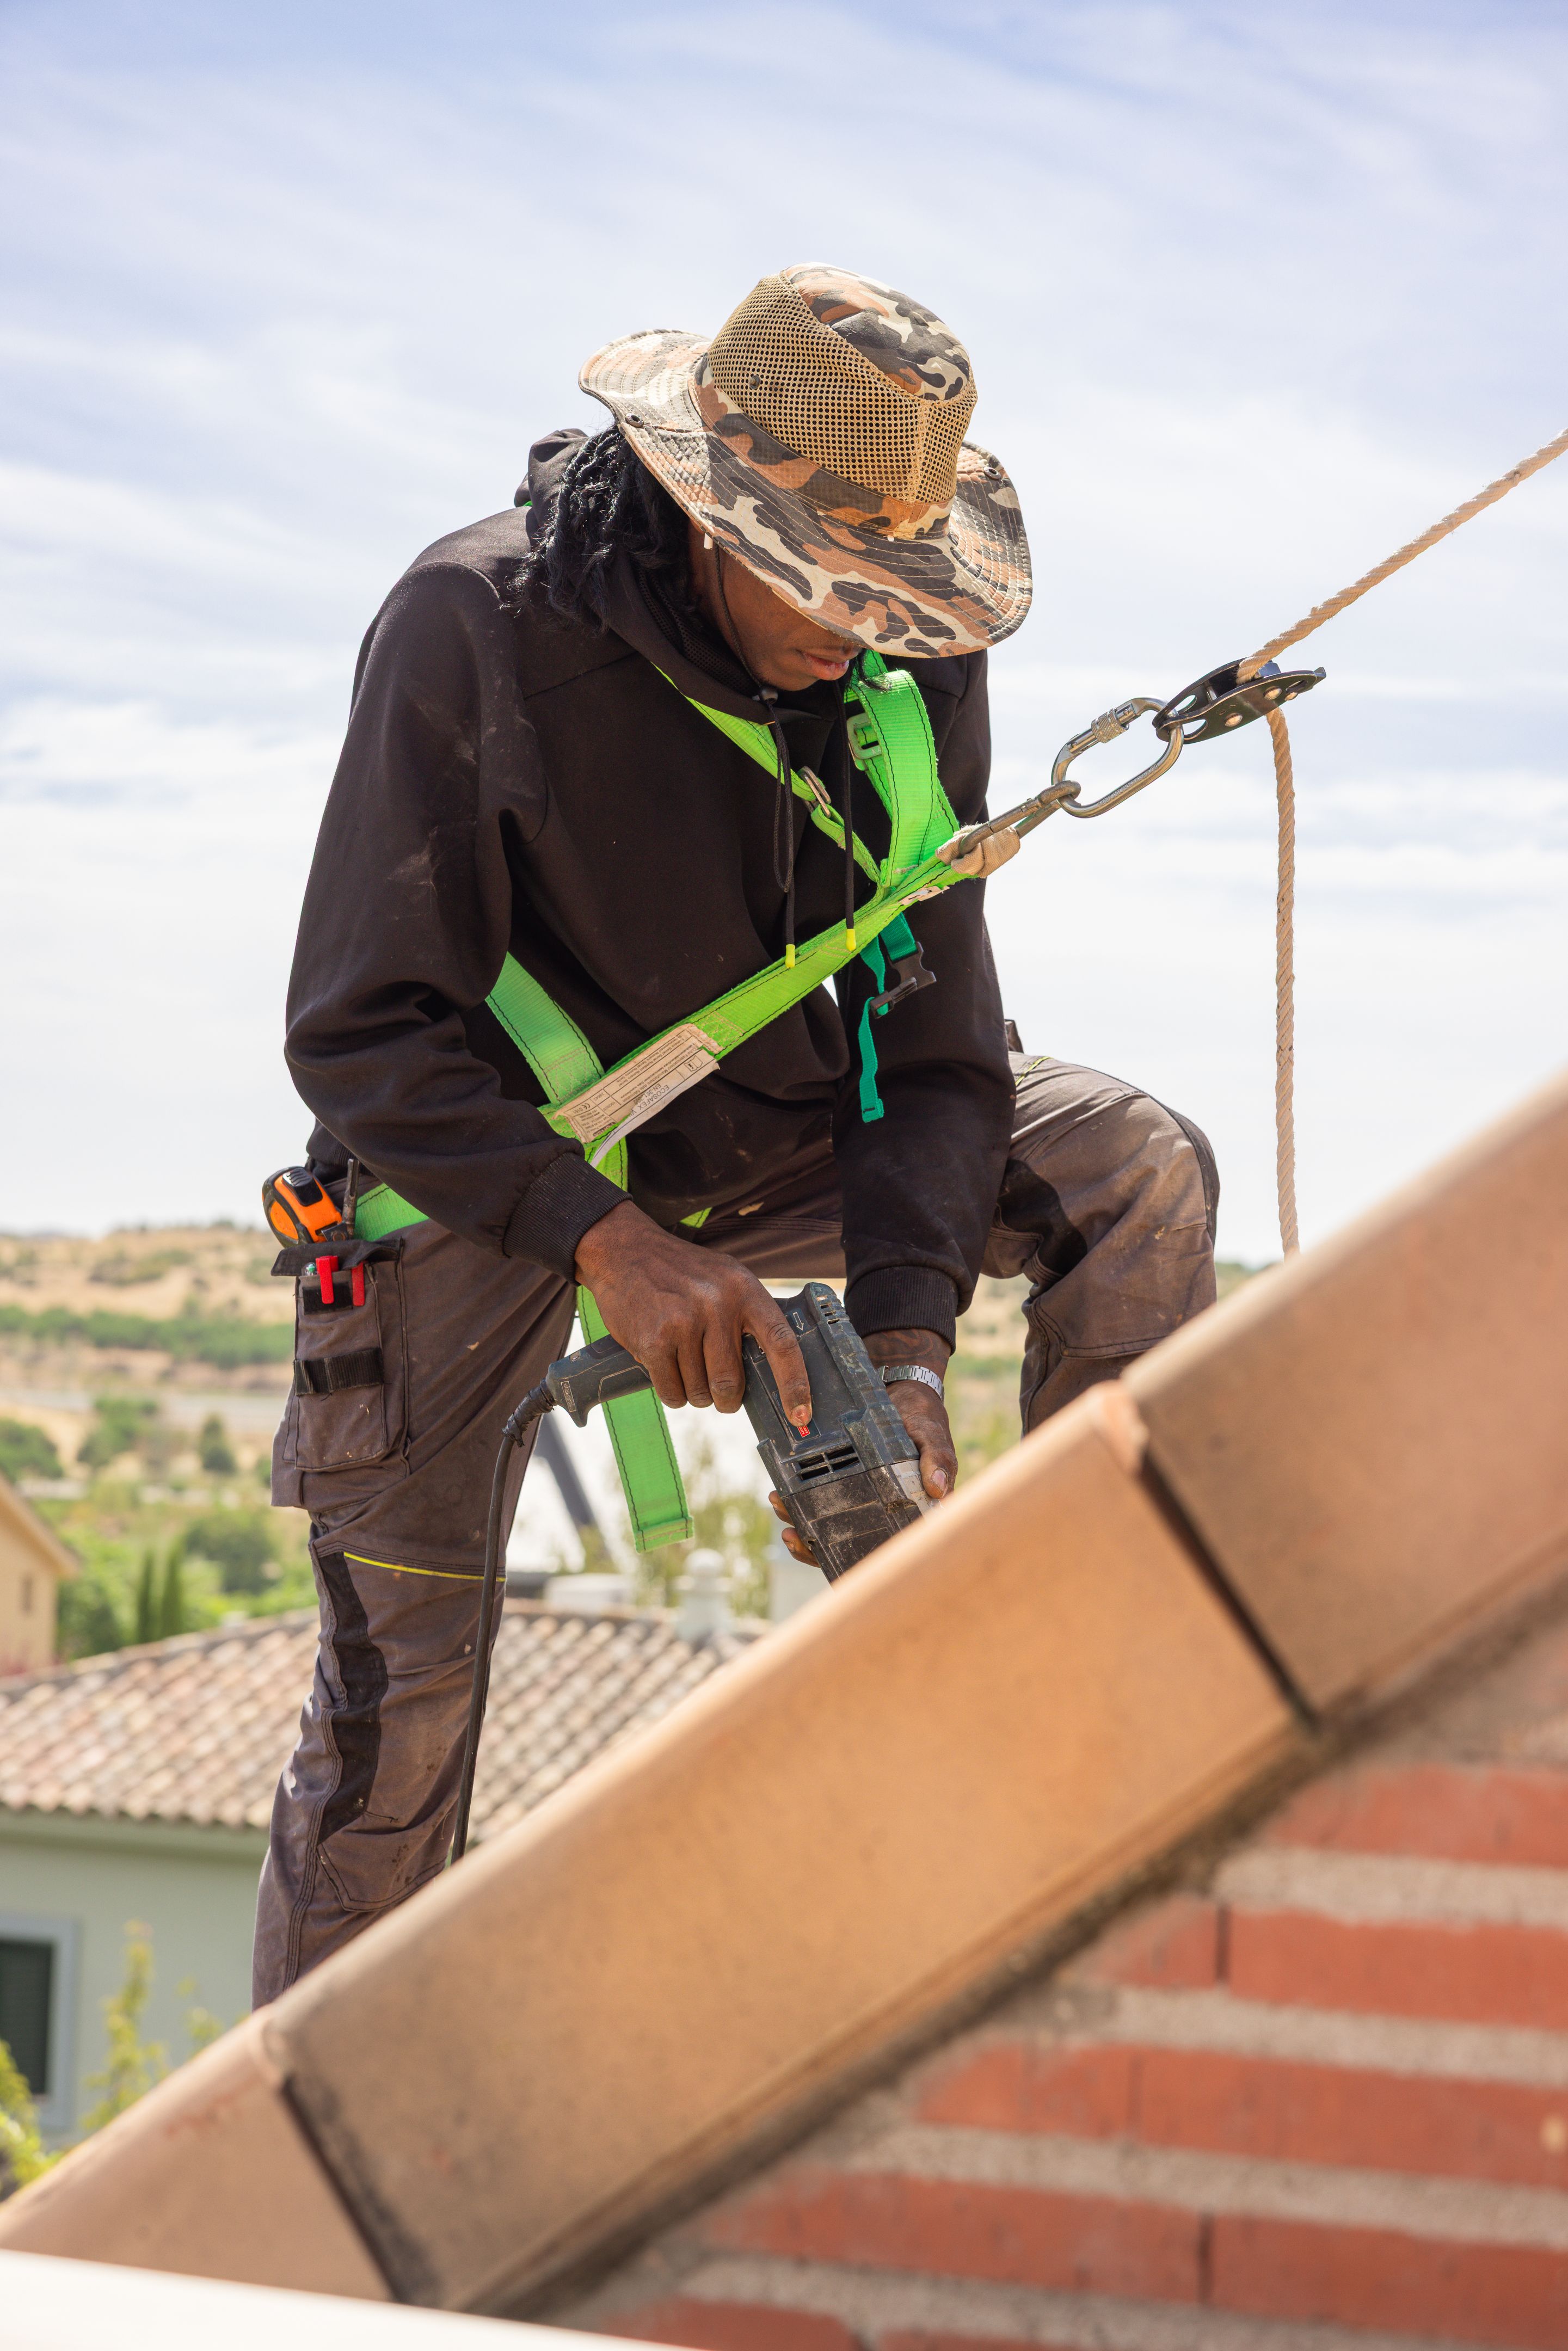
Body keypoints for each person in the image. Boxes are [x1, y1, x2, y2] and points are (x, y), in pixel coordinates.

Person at [254, 264, 1217, 2003]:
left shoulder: (914, 655)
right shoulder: (472, 627)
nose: (860, 626)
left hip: (769, 1140)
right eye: (819, 581)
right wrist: (607, 1246)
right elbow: (358, 1031)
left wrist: (909, 1355)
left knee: (1131, 1165)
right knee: (401, 1710)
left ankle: (1109, 1721)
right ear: (707, 506)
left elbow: (934, 1052)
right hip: (475, 1172)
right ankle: (282, 2172)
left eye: (892, 592)